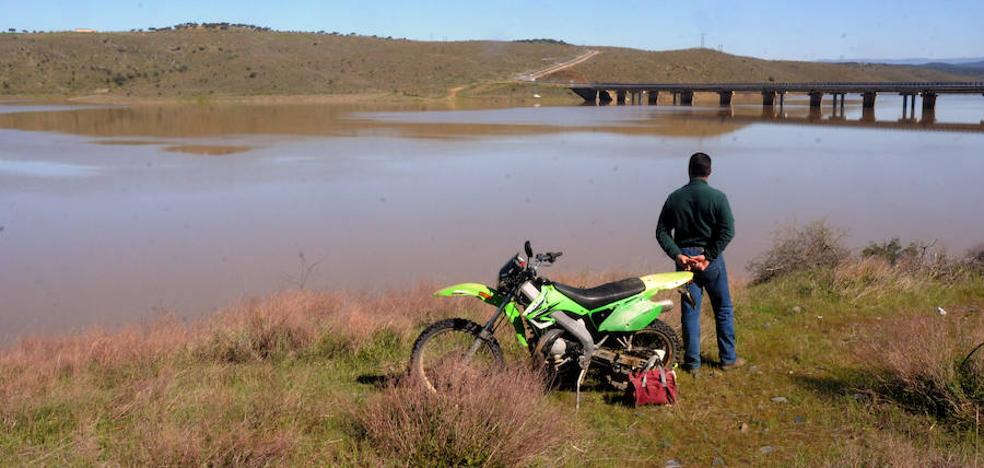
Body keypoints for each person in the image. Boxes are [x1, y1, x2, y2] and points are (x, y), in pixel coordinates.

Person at [655, 152, 744, 373]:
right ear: (709, 172)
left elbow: (661, 232)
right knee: (722, 308)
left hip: (684, 262)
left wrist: (678, 255)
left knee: (690, 312)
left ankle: (692, 363)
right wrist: (709, 255)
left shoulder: (674, 198)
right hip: (709, 261)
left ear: (689, 171)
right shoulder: (718, 197)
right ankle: (727, 359)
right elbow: (728, 231)